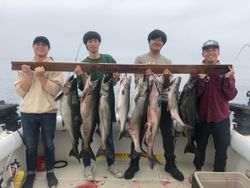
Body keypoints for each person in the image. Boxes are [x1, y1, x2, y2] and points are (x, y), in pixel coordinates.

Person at [124, 29, 184, 181]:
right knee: (137, 131)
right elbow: (137, 80)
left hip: (161, 103)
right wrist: (144, 76)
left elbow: (168, 85)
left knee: (167, 135)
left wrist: (164, 78)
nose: (157, 41)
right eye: (154, 39)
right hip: (142, 102)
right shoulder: (140, 58)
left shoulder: (167, 62)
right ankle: (134, 163)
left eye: (160, 40)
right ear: (149, 41)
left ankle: (170, 164)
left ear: (163, 43)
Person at [15, 36, 64, 188]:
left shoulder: (56, 67)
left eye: (44, 44)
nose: (40, 46)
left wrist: (41, 77)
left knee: (49, 145)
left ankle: (50, 172)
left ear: (48, 48)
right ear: (33, 47)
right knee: (30, 146)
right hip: (27, 112)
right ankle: (30, 175)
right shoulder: (24, 67)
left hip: (48, 112)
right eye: (37, 44)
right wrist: (30, 76)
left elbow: (55, 90)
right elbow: (19, 91)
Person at [74, 31, 122, 181]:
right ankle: (87, 166)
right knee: (86, 134)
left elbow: (114, 82)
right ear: (86, 44)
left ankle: (111, 163)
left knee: (108, 136)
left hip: (106, 104)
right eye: (90, 41)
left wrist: (116, 77)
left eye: (95, 40)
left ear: (99, 43)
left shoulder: (109, 59)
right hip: (89, 106)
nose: (93, 43)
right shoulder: (82, 63)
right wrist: (81, 75)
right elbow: (82, 87)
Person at [189, 40, 237, 183]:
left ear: (218, 52)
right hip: (201, 119)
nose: (211, 52)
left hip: (221, 118)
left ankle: (219, 176)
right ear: (202, 53)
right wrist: (201, 80)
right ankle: (197, 172)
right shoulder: (196, 71)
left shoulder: (227, 70)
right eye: (207, 50)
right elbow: (192, 96)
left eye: (214, 49)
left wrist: (228, 78)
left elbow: (230, 95)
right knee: (200, 148)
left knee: (221, 151)